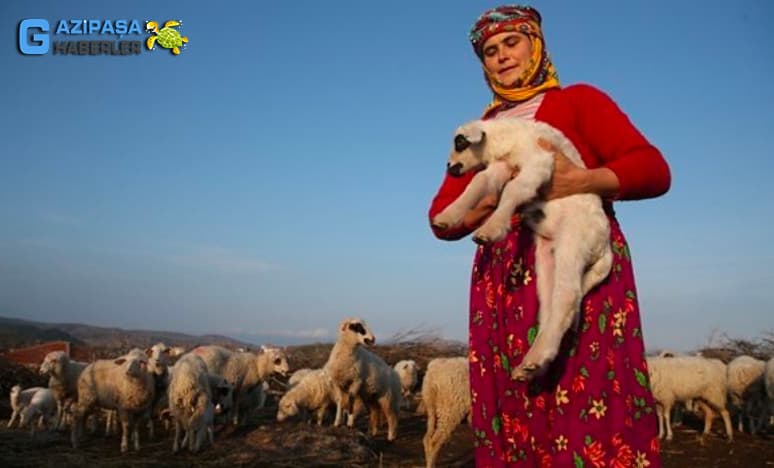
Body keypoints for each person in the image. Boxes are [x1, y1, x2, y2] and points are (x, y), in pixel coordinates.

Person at [428, 5, 670, 467]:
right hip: (505, 276)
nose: (501, 56)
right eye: (489, 51)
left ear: (536, 44)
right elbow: (441, 217)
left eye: (511, 43)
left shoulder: (579, 101)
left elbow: (654, 169)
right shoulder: (481, 129)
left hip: (576, 255)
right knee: (514, 397)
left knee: (585, 392)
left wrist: (578, 181)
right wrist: (498, 195)